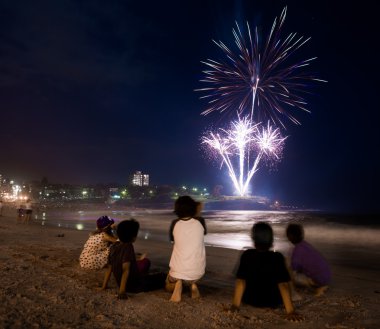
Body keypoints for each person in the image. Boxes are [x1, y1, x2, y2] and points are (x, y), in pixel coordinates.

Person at [230, 222, 303, 322]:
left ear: (254, 239)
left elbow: (240, 282)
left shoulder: (247, 255)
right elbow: (283, 286)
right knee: (285, 280)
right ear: (271, 240)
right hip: (273, 302)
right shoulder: (277, 257)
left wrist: (235, 306)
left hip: (250, 300)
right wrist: (290, 311)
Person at [100, 219, 166, 299]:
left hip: (122, 283)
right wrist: (122, 291)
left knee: (151, 276)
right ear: (133, 237)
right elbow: (126, 270)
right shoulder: (128, 246)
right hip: (135, 286)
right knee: (161, 277)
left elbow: (109, 268)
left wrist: (104, 287)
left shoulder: (113, 246)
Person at [166, 196, 206, 302]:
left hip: (176, 273)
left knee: (168, 282)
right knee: (190, 274)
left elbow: (173, 241)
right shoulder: (200, 222)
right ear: (194, 208)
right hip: (198, 274)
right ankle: (192, 285)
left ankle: (178, 284)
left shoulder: (175, 223)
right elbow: (201, 232)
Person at [286, 223, 331, 297]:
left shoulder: (297, 251)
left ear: (290, 236)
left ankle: (318, 287)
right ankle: (321, 285)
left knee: (290, 274)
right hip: (327, 276)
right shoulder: (305, 245)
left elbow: (292, 273)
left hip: (319, 280)